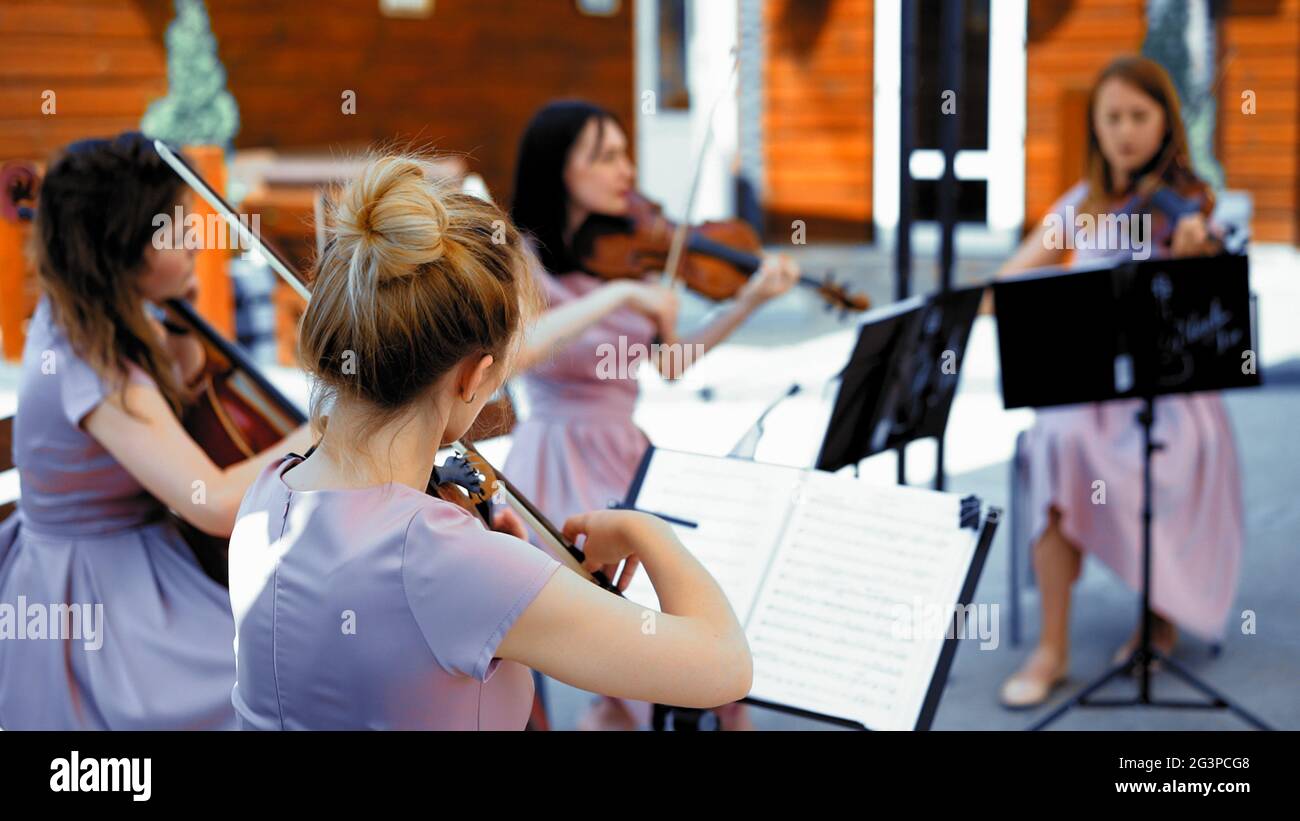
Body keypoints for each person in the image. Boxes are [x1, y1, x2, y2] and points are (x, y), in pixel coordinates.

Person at [226, 153, 752, 730]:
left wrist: (491, 567)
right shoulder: (443, 557)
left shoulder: (265, 495)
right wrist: (643, 529)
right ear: (474, 376)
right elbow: (723, 666)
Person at [0, 132, 313, 729]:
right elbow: (217, 504)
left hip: (139, 555)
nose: (196, 237)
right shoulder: (90, 361)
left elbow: (188, 397)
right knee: (270, 689)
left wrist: (183, 327)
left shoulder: (98, 314)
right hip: (94, 595)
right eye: (174, 229)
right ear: (122, 249)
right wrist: (333, 425)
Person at [503, 99, 800, 730]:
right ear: (558, 170)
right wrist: (620, 293)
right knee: (632, 633)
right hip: (559, 458)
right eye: (604, 155)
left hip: (627, 449)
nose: (626, 170)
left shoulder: (629, 249)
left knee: (694, 601)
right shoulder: (521, 258)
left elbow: (669, 364)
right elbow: (521, 347)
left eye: (624, 151)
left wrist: (748, 299)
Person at [995, 57, 1242, 709]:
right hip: (1090, 387)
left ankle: (1159, 611)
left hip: (1172, 393)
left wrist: (1193, 253)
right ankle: (1052, 645)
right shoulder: (1082, 206)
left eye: (1140, 115)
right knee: (1054, 439)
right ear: (1095, 127)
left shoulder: (1187, 204)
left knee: (1167, 453)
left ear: (1165, 123)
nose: (1126, 131)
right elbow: (1007, 285)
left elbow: (1213, 286)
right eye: (1112, 117)